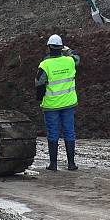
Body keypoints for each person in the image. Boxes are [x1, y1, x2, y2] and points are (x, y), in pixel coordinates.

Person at [35, 34, 80, 171]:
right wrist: (68, 49)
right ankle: (71, 164)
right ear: (61, 48)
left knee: (53, 133)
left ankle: (53, 164)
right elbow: (77, 57)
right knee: (69, 132)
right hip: (68, 104)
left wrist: (39, 98)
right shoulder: (70, 61)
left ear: (49, 47)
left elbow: (39, 84)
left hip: (51, 105)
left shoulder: (45, 65)